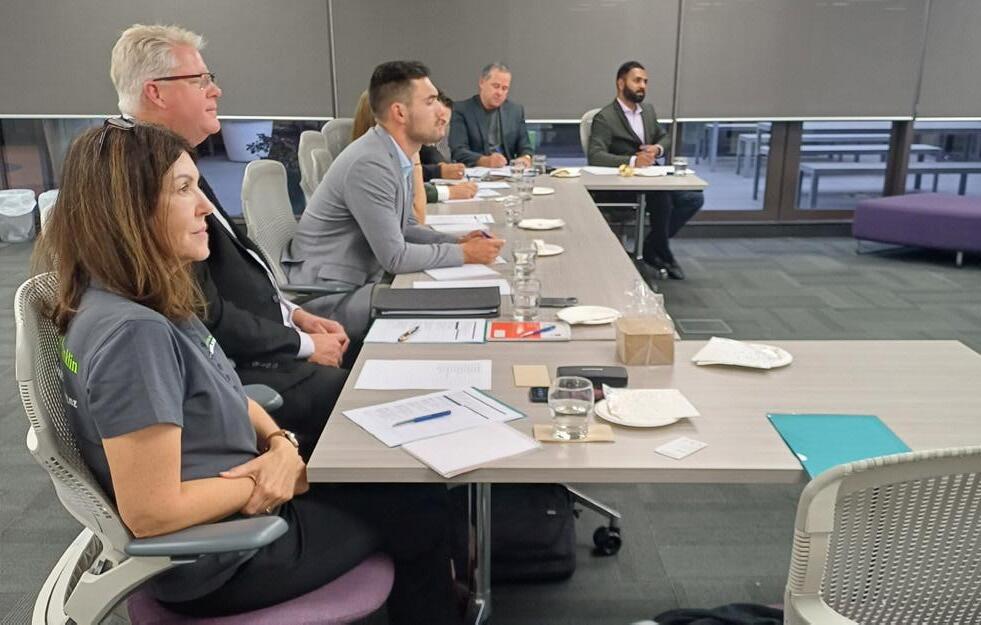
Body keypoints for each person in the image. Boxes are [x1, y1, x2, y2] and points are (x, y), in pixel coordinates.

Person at [36, 121, 460, 624]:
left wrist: (280, 444)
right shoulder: (134, 334)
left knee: (395, 487)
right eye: (183, 189)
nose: (205, 206)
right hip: (225, 555)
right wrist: (274, 475)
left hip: (234, 508)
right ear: (127, 210)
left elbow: (229, 388)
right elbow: (151, 513)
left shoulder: (140, 295)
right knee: (421, 507)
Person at [110, 24, 347, 459]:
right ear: (156, 92)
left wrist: (294, 316)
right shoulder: (141, 178)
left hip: (259, 340)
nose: (215, 90)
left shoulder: (172, 158)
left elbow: (236, 271)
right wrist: (302, 346)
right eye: (199, 80)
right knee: (359, 402)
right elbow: (203, 314)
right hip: (231, 370)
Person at [286, 61, 504, 337]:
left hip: (363, 280)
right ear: (400, 112)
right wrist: (465, 254)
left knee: (465, 300)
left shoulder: (392, 154)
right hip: (331, 297)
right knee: (455, 308)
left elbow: (406, 227)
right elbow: (396, 257)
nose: (442, 112)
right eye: (430, 102)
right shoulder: (370, 163)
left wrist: (456, 242)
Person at [587, 61, 704, 280]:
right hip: (622, 184)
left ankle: (651, 246)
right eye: (637, 80)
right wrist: (633, 160)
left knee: (693, 198)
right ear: (621, 83)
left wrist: (657, 148)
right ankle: (663, 252)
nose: (642, 86)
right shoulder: (605, 117)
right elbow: (596, 156)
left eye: (645, 81)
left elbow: (664, 137)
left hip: (653, 177)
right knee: (663, 198)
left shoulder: (647, 111)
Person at [350, 88, 476, 209]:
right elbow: (403, 192)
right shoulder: (370, 164)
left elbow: (427, 153)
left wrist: (440, 166)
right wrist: (446, 190)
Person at [450, 63, 533, 168]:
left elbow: (525, 147)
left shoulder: (515, 111)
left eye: (504, 88)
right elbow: (458, 151)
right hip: (476, 171)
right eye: (496, 86)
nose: (499, 93)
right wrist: (484, 161)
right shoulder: (462, 110)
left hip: (507, 171)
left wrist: (525, 158)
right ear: (482, 83)